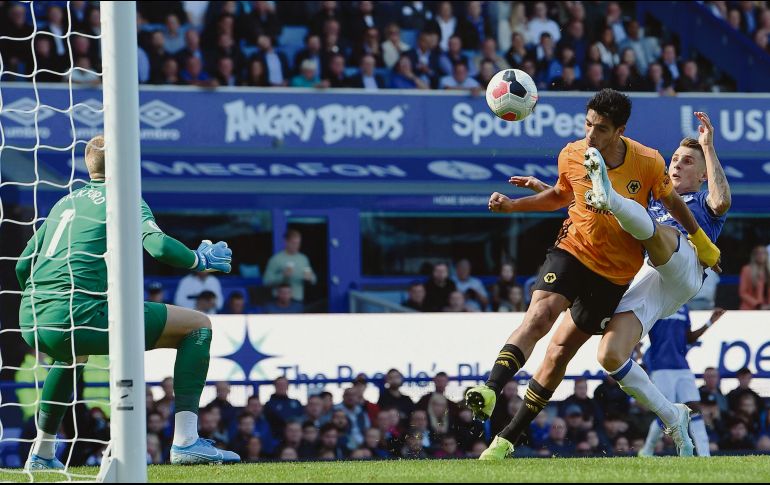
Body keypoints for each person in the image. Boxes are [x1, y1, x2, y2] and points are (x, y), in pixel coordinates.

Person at [464, 91, 721, 459]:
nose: (591, 135)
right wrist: (514, 206)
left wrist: (703, 242)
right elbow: (560, 195)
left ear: (620, 131)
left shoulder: (649, 162)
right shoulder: (572, 153)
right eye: (588, 124)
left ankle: (507, 438)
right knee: (546, 322)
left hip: (617, 275)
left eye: (601, 129)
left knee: (561, 350)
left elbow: (678, 204)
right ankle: (494, 398)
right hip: (575, 250)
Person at [17, 135, 239, 469]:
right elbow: (160, 247)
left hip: (33, 315)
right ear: (126, 163)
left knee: (70, 358)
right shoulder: (123, 198)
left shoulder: (67, 202)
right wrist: (198, 259)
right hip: (81, 311)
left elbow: (23, 263)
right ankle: (186, 441)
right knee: (198, 326)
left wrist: (45, 302)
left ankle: (42, 453)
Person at [638, 306, 726, 457]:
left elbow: (688, 338)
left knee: (695, 408)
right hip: (661, 367)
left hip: (682, 366)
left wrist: (709, 322)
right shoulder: (657, 303)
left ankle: (705, 455)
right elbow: (640, 329)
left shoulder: (684, 308)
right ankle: (647, 450)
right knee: (666, 413)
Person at [263, 229, 316, 305]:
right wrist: (282, 276)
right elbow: (266, 281)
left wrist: (310, 278)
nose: (296, 246)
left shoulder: (303, 259)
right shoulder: (276, 259)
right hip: (279, 302)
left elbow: (314, 279)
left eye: (298, 243)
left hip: (297, 300)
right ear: (286, 242)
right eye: (293, 243)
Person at [739, 245, 770, 309]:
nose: (761, 255)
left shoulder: (768, 271)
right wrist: (758, 305)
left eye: (763, 253)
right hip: (750, 308)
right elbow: (743, 292)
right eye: (758, 253)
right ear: (754, 255)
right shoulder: (747, 270)